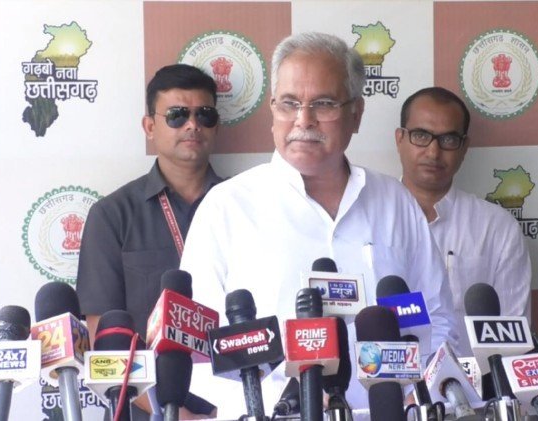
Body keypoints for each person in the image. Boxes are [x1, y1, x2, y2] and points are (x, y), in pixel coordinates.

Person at [180, 32, 458, 419]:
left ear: (356, 114)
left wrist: (414, 394)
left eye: (323, 104)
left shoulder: (395, 203)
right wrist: (288, 401)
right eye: (289, 103)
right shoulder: (227, 206)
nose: (303, 120)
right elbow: (195, 348)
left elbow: (439, 319)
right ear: (272, 109)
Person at [76, 64, 222, 419]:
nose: (192, 125)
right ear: (150, 127)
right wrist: (171, 412)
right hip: (146, 408)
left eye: (204, 114)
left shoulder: (246, 207)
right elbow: (101, 337)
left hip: (238, 402)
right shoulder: (112, 215)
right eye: (176, 115)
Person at [394, 87, 532, 357]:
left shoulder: (497, 228)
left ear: (464, 147)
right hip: (384, 378)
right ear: (400, 139)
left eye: (448, 139)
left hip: (475, 383)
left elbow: (512, 340)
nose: (433, 152)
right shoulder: (371, 219)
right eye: (421, 136)